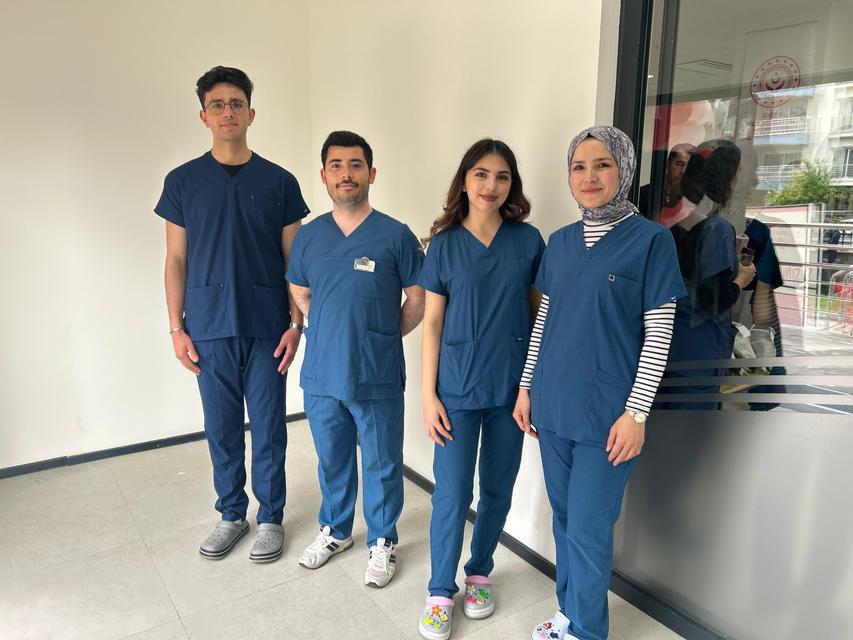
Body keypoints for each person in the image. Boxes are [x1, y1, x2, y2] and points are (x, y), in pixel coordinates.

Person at [512, 126, 687, 640]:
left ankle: (587, 631)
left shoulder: (651, 241)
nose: (589, 177)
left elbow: (659, 332)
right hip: (553, 406)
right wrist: (526, 387)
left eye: (602, 165)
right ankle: (569, 615)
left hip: (610, 416)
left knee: (588, 528)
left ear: (624, 170)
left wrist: (637, 413)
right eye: (579, 167)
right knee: (565, 520)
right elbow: (544, 321)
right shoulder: (560, 242)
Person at [155, 66, 309, 563]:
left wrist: (296, 324)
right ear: (204, 116)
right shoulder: (182, 182)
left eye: (236, 103)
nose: (228, 112)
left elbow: (294, 262)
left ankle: (271, 518)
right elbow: (175, 259)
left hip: (267, 326)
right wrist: (176, 327)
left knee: (268, 427)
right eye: (218, 104)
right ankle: (231, 514)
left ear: (251, 113)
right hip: (206, 325)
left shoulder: (279, 182)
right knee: (221, 427)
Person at [416, 140, 545, 640]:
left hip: (510, 389)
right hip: (456, 390)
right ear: (464, 180)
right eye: (481, 174)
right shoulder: (444, 244)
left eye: (502, 176)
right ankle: (439, 591)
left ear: (513, 184)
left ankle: (479, 573)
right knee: (451, 493)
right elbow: (432, 324)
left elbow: (538, 317)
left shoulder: (528, 241)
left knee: (497, 488)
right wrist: (428, 396)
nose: (491, 185)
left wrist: (532, 387)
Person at [286, 130, 425, 588]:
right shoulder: (309, 237)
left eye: (355, 165)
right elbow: (300, 291)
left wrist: (381, 336)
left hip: (376, 371)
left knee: (383, 461)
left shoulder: (396, 235)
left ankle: (382, 540)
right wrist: (333, 329)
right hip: (323, 372)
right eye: (337, 166)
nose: (346, 174)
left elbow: (418, 298)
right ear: (324, 176)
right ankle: (336, 530)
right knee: (332, 457)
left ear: (372, 173)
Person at [664, 141, 756, 409]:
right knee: (692, 424)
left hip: (670, 344)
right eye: (738, 172)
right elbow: (711, 300)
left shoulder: (677, 221)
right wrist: (741, 279)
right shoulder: (716, 229)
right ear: (726, 179)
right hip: (698, 350)